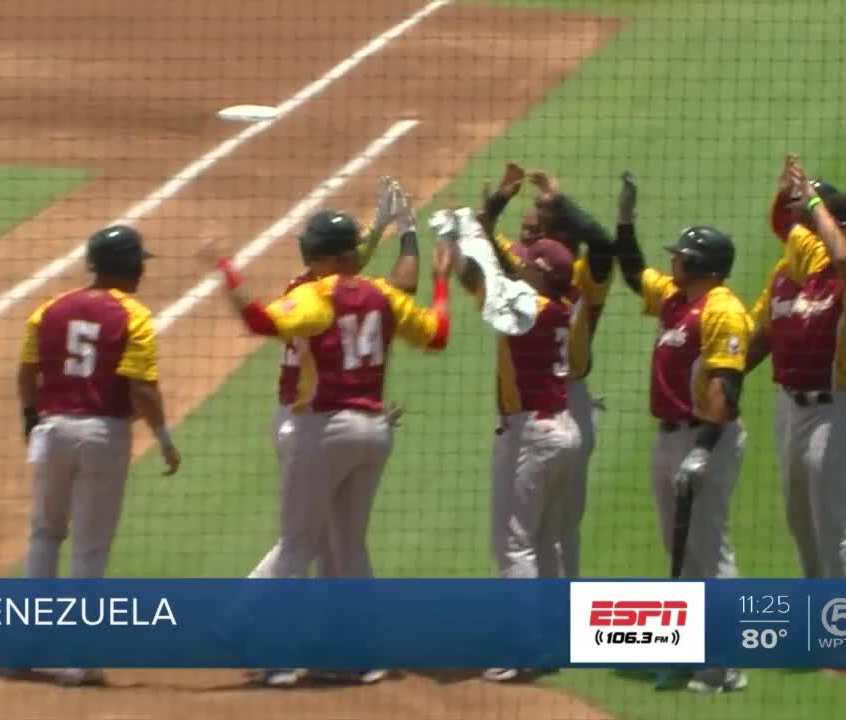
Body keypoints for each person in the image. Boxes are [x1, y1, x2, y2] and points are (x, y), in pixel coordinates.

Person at [217, 208, 452, 686]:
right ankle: (359, 655)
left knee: (297, 541)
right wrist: (441, 282)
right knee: (349, 545)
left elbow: (259, 320)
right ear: (352, 254)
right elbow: (438, 335)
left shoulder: (313, 295)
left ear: (319, 256)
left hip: (324, 431)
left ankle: (275, 654)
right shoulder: (384, 295)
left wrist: (226, 269)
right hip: (374, 431)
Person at [16, 224, 180, 686]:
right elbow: (141, 388)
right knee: (89, 546)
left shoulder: (49, 308)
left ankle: (27, 647)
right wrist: (164, 438)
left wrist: (31, 419)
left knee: (45, 533)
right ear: (130, 267)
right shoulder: (135, 316)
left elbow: (26, 370)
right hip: (103, 435)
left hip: (51, 430)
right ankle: (75, 656)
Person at [614, 173, 750, 694]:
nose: (672, 261)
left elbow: (727, 384)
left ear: (700, 265)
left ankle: (725, 664)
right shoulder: (675, 299)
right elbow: (632, 274)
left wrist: (703, 450)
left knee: (709, 551)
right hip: (671, 437)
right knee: (684, 550)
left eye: (680, 255)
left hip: (703, 438)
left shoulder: (722, 309)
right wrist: (625, 221)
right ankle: (699, 655)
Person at [441, 205, 582, 682]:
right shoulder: (559, 306)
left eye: (526, 260)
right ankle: (555, 641)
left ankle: (523, 648)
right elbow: (489, 279)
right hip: (561, 429)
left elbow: (472, 279)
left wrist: (458, 232)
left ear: (539, 272)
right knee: (546, 542)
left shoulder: (528, 311)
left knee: (514, 544)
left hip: (532, 435)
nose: (518, 262)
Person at [270, 177, 419, 582]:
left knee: (329, 541)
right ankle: (241, 616)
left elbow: (350, 266)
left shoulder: (307, 290)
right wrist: (404, 232)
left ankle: (331, 628)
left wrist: (377, 229)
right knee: (307, 540)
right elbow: (394, 284)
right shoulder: (317, 294)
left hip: (316, 417)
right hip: (309, 419)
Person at [746, 157, 846, 580]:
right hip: (792, 408)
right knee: (801, 524)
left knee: (834, 527)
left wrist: (812, 202)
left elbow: (843, 260)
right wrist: (792, 192)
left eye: (828, 222)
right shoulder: (807, 264)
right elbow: (783, 223)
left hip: (836, 410)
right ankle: (818, 616)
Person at [478, 163, 614, 580]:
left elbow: (601, 245)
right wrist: (508, 202)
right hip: (556, 405)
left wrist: (555, 201)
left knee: (551, 529)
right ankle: (557, 622)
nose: (525, 238)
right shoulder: (543, 274)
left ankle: (552, 622)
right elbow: (493, 245)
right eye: (524, 230)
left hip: (561, 399)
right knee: (545, 531)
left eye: (534, 231)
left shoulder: (578, 275)